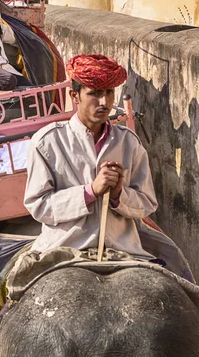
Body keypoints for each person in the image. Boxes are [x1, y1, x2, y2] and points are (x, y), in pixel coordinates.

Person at [24, 53, 158, 258]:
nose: (104, 102)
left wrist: (118, 195)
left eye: (109, 92)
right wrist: (90, 191)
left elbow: (147, 203)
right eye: (94, 93)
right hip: (63, 248)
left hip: (123, 249)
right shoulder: (47, 142)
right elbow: (39, 206)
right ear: (74, 96)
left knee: (177, 270)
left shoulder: (129, 142)